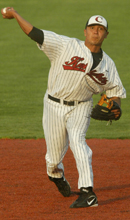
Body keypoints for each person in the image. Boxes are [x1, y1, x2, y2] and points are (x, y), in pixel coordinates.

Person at [1, 7, 126, 208]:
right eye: (92, 27)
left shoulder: (108, 65)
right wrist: (15, 14)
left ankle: (88, 192)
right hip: (53, 105)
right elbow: (35, 33)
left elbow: (115, 92)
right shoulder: (65, 45)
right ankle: (56, 175)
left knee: (78, 141)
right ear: (85, 31)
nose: (96, 31)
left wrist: (116, 108)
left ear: (106, 34)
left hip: (82, 106)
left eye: (100, 29)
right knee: (53, 158)